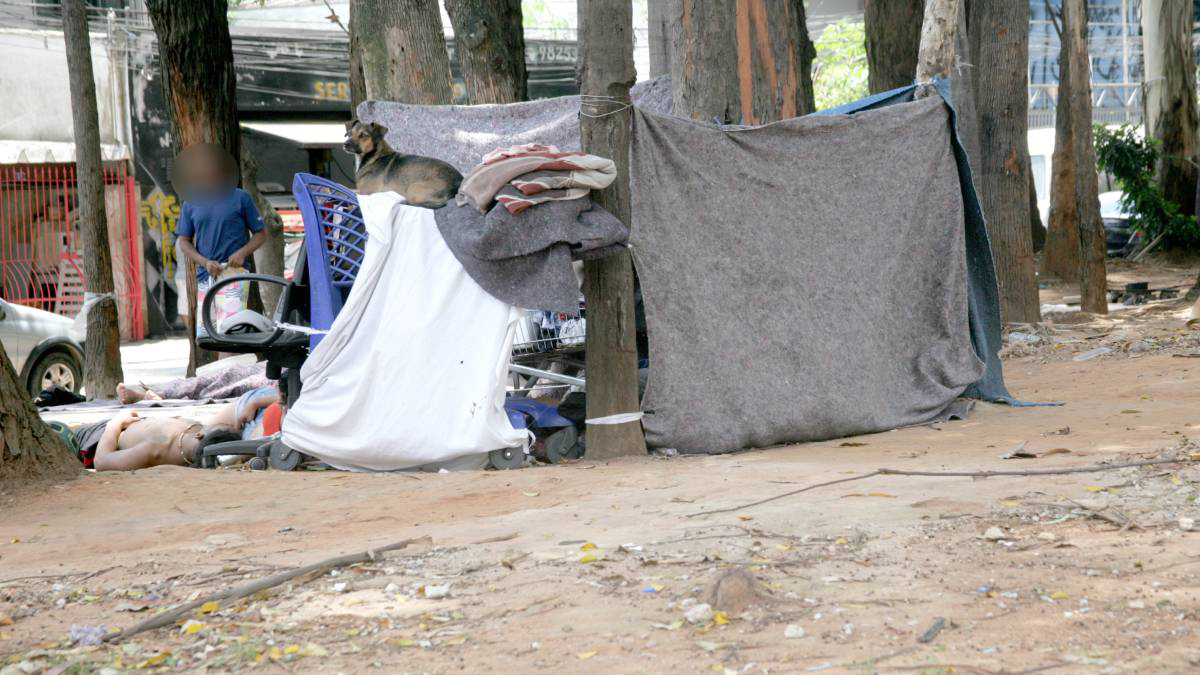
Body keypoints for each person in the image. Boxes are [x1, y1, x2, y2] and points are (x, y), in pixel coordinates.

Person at [174, 144, 266, 333]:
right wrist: (204, 262)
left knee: (230, 332)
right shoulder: (191, 202)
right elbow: (183, 241)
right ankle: (226, 364)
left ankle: (231, 362)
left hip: (234, 274)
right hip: (205, 275)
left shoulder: (241, 198)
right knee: (209, 333)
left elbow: (261, 234)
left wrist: (242, 253)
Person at [73, 410, 239, 471]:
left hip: (99, 436)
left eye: (220, 425)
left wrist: (116, 423)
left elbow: (102, 461)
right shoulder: (194, 434)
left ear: (200, 436)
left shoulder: (155, 449)